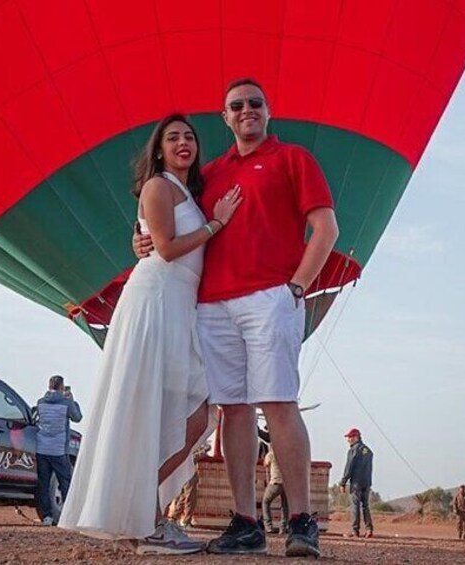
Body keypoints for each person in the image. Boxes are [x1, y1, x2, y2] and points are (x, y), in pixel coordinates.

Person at [135, 78, 339, 557]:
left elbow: (326, 227)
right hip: (212, 305)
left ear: (268, 111)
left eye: (254, 103)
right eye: (235, 106)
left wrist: (297, 286)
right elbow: (168, 218)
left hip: (270, 295)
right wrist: (141, 241)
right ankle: (246, 521)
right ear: (224, 117)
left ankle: (301, 520)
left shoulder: (293, 159)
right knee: (233, 408)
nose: (245, 110)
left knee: (279, 402)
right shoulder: (209, 175)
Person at [58, 114, 241, 556]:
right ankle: (148, 520)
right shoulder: (159, 185)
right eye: (172, 137)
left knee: (191, 412)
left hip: (179, 303)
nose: (183, 142)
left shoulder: (183, 191)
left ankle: (139, 509)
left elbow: (154, 236)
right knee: (167, 408)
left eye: (189, 137)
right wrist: (217, 224)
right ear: (158, 149)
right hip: (157, 299)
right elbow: (165, 247)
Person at [36, 375, 83, 526]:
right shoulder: (66, 403)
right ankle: (68, 516)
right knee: (65, 482)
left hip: (42, 449)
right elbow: (77, 417)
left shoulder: (40, 402)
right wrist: (72, 400)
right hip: (58, 450)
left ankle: (47, 517)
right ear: (62, 387)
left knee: (44, 483)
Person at [339, 428, 374, 538]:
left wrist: (343, 482)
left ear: (356, 437)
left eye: (350, 437)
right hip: (367, 482)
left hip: (356, 483)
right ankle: (369, 530)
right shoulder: (368, 450)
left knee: (355, 506)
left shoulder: (353, 450)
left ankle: (355, 531)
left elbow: (349, 467)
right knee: (366, 506)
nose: (348, 440)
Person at [262, 447, 289, 534]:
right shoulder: (287, 453)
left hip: (275, 482)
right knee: (285, 506)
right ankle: (283, 528)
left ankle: (268, 526)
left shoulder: (271, 454)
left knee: (266, 501)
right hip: (286, 483)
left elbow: (265, 464)